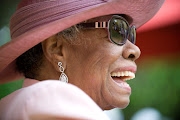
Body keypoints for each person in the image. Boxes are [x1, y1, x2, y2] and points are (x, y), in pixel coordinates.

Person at [0, 0, 165, 119]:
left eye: (130, 34)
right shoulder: (50, 100)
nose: (135, 50)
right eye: (117, 29)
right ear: (57, 49)